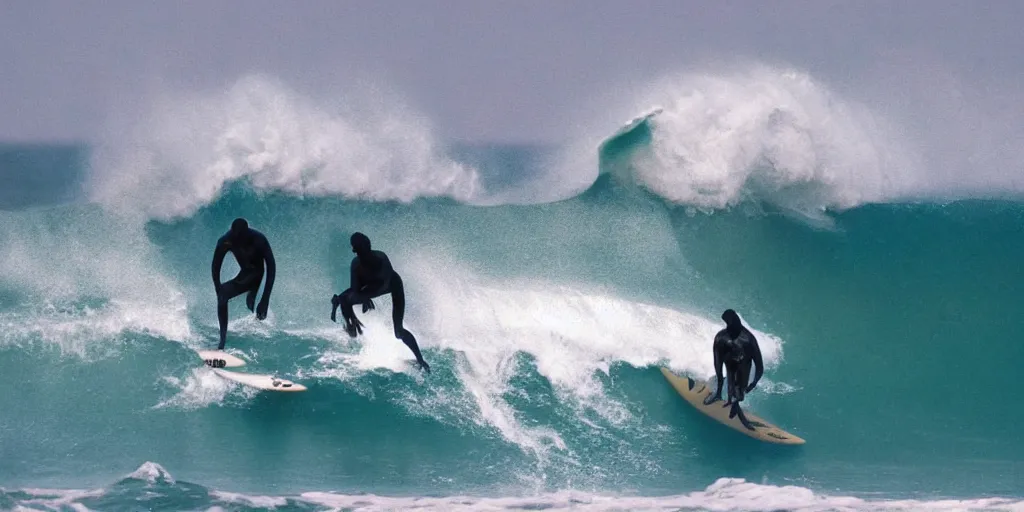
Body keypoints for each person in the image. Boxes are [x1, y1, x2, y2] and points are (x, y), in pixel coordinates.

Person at [331, 232, 431, 373]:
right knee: (344, 300)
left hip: (393, 285)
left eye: (366, 248)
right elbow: (355, 290)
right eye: (359, 249)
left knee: (398, 331)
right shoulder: (356, 265)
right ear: (355, 250)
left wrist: (366, 296)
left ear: (369, 246)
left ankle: (420, 360)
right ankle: (351, 328)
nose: (363, 253)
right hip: (369, 288)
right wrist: (348, 298)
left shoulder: (381, 258)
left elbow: (384, 284)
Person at [211, 218, 276, 350]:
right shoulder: (226, 240)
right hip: (245, 274)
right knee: (223, 296)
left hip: (257, 274)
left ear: (247, 232)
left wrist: (265, 299)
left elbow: (271, 267)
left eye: (242, 237)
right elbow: (215, 266)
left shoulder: (259, 239)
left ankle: (258, 335)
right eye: (236, 236)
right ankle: (222, 339)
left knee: (256, 308)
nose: (239, 240)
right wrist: (217, 287)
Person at [703, 308, 764, 430]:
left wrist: (754, 382)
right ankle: (719, 393)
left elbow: (759, 365)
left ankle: (736, 407)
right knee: (724, 377)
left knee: (738, 392)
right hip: (729, 362)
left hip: (743, 367)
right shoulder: (721, 337)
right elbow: (717, 361)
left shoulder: (749, 340)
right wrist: (719, 374)